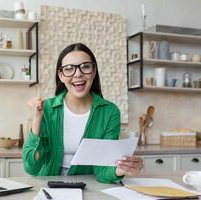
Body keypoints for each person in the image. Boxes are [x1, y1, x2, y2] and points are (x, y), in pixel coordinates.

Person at [22, 43, 143, 183]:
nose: (78, 74)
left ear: (94, 71)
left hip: (87, 184)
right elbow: (31, 167)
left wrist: (121, 169)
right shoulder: (46, 108)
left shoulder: (110, 112)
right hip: (48, 184)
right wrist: (36, 120)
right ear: (61, 75)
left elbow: (102, 169)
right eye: (69, 69)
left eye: (85, 66)